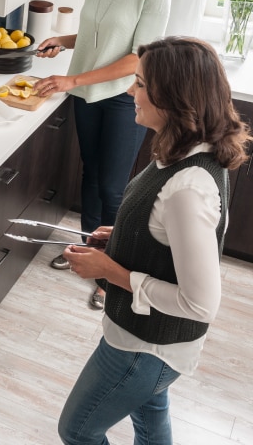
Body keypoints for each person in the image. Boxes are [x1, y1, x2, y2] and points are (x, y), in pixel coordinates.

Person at [57, 36, 251, 445]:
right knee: (151, 412)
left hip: (146, 349)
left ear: (175, 98)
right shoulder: (183, 152)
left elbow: (200, 305)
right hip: (150, 347)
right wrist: (125, 234)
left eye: (140, 84)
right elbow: (167, 233)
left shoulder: (187, 188)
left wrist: (111, 272)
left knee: (77, 430)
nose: (130, 92)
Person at [34, 0, 171, 310]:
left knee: (114, 189)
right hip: (87, 94)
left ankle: (112, 274)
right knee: (90, 177)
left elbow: (137, 55)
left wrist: (72, 78)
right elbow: (99, 34)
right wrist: (64, 40)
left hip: (122, 98)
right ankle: (87, 254)